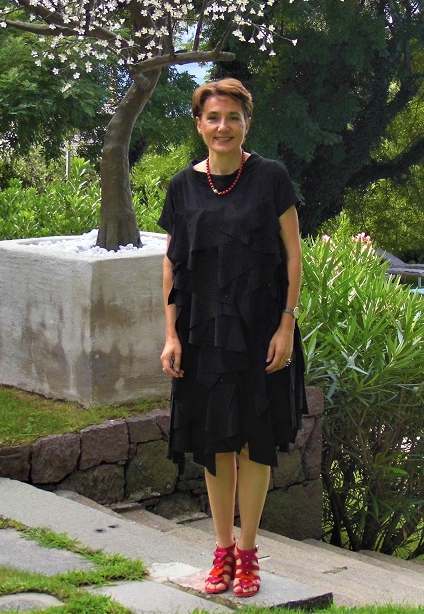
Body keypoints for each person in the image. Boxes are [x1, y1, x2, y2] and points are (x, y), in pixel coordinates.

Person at [158, 78, 305, 597]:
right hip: (203, 332)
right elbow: (173, 264)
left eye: (233, 118)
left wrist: (286, 323)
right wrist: (171, 335)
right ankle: (221, 550)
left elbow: (293, 255)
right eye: (213, 118)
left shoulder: (271, 177)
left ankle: (248, 552)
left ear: (247, 123)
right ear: (199, 125)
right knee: (215, 442)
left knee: (252, 441)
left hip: (261, 328)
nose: (223, 127)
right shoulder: (181, 186)